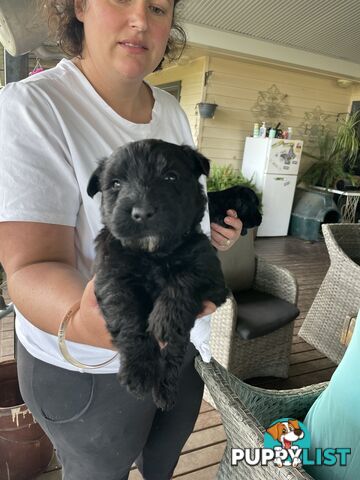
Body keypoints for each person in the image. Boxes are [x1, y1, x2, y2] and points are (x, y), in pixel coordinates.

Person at [0, 1, 242, 479]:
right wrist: (99, 323)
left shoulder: (171, 109)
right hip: (87, 368)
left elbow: (181, 211)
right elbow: (27, 269)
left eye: (157, 7)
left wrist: (210, 234)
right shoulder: (32, 107)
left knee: (161, 463)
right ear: (80, 6)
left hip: (182, 341)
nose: (140, 20)